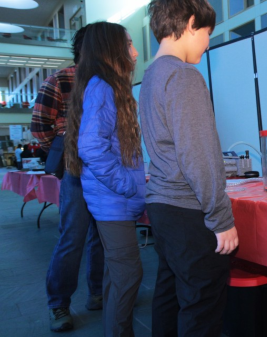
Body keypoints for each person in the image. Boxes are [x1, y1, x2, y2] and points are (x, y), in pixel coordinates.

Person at [139, 0, 238, 335]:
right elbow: (199, 155)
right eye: (208, 33)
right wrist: (220, 218)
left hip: (162, 205)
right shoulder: (183, 75)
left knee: (169, 296)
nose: (208, 43)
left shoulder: (151, 75)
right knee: (201, 306)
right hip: (188, 210)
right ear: (192, 23)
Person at [64, 21, 144, 337]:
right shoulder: (104, 87)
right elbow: (92, 147)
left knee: (117, 275)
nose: (135, 53)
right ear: (110, 50)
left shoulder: (101, 85)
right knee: (128, 275)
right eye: (128, 45)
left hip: (112, 200)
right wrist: (126, 183)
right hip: (113, 201)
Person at [31, 26, 105, 333]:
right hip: (76, 172)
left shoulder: (111, 82)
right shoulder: (60, 79)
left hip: (106, 171)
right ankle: (58, 303)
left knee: (102, 236)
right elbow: (39, 128)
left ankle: (98, 292)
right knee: (72, 238)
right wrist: (64, 151)